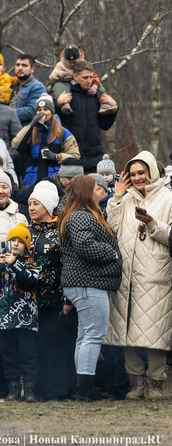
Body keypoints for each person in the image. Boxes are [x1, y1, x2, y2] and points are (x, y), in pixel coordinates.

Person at [105, 151, 172, 400]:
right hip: (127, 272)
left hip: (155, 272)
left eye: (141, 173)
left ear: (151, 171)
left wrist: (152, 223)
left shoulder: (168, 198)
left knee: (155, 331)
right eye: (132, 174)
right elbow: (111, 229)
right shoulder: (126, 198)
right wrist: (117, 196)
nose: (137, 178)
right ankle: (136, 383)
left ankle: (155, 383)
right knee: (127, 329)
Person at [58, 174, 122, 401]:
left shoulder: (79, 214)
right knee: (94, 336)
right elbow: (85, 246)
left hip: (85, 284)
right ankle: (85, 390)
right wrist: (112, 252)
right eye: (95, 187)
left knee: (85, 336)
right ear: (86, 191)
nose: (100, 190)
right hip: (88, 284)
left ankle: (83, 387)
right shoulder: (81, 216)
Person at [27, 181, 77, 401]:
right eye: (30, 204)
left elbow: (68, 265)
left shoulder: (60, 231)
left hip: (55, 299)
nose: (31, 208)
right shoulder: (26, 230)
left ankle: (59, 390)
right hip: (30, 300)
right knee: (37, 346)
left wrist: (67, 298)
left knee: (55, 346)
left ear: (47, 206)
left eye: (36, 204)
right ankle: (40, 390)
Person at [0, 223, 40, 401]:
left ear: (26, 246)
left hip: (25, 320)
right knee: (9, 356)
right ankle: (13, 391)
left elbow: (29, 282)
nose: (15, 244)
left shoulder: (31, 263)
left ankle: (30, 391)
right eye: (12, 240)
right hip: (3, 320)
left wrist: (14, 264)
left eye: (20, 241)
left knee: (28, 355)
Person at [56, 60, 117, 172]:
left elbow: (105, 125)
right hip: (72, 153)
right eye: (85, 77)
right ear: (75, 76)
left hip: (95, 154)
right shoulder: (67, 96)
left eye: (90, 77)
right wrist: (58, 104)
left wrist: (113, 108)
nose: (89, 81)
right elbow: (57, 124)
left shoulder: (96, 96)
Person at [10, 97, 80, 186]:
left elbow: (75, 156)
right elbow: (16, 144)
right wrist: (31, 125)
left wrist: (56, 157)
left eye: (46, 109)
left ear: (52, 112)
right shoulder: (31, 131)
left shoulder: (63, 132)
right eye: (39, 110)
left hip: (55, 178)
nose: (42, 112)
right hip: (33, 179)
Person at [50, 45, 114, 115]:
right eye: (69, 63)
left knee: (99, 85)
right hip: (66, 82)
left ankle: (105, 104)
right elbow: (52, 77)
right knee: (58, 85)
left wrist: (95, 85)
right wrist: (58, 74)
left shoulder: (83, 64)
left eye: (74, 62)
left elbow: (94, 76)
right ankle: (65, 104)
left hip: (80, 82)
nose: (72, 64)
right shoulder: (60, 65)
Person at [13, 54, 47, 125]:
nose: (20, 68)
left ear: (32, 69)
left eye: (24, 65)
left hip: (24, 130)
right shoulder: (12, 85)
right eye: (18, 65)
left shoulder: (38, 87)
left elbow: (32, 111)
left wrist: (7, 113)